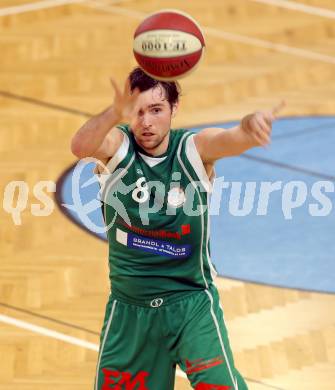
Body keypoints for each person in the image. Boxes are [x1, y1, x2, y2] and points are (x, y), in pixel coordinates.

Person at [71, 67, 284, 390]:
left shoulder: (194, 150)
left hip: (190, 305)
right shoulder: (118, 147)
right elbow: (81, 146)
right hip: (131, 310)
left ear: (174, 109)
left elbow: (231, 139)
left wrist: (250, 126)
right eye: (138, 112)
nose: (146, 122)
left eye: (156, 110)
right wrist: (115, 112)